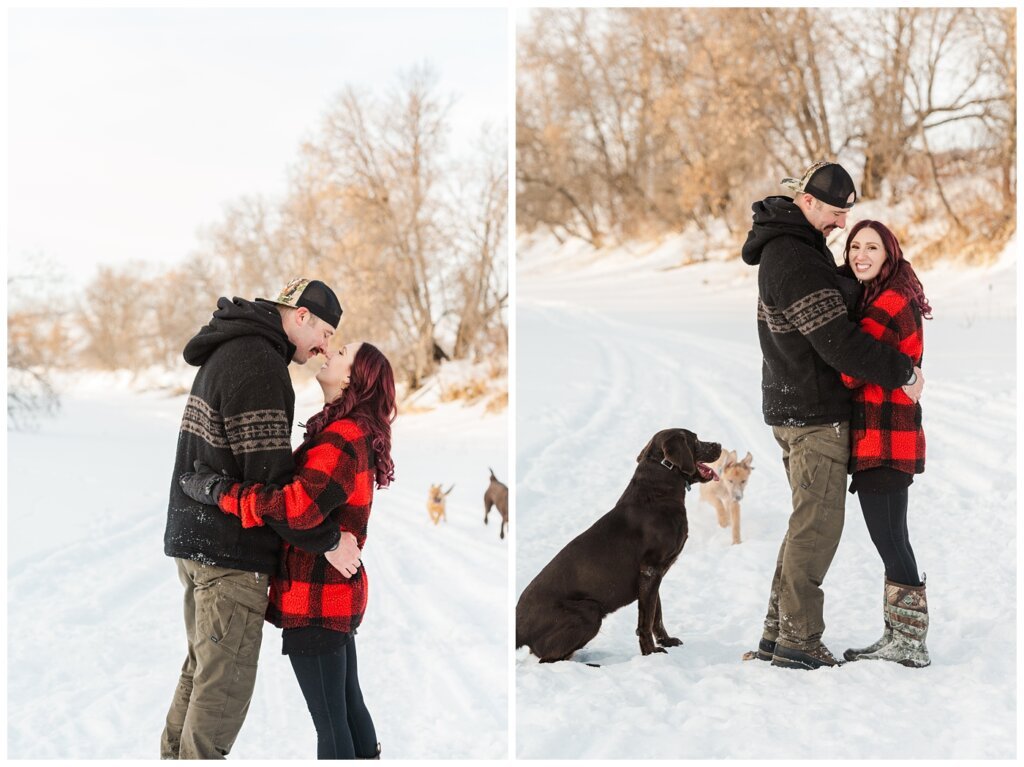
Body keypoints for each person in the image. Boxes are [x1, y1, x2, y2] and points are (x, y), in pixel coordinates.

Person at [161, 278, 363, 759]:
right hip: (229, 552)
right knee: (222, 691)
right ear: (299, 316)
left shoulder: (232, 347)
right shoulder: (261, 364)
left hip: (196, 543)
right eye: (326, 332)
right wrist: (330, 541)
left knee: (201, 673)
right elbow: (275, 491)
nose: (324, 347)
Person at [740, 161, 925, 670]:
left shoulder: (791, 247)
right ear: (810, 202)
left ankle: (779, 634)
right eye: (839, 213)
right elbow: (840, 345)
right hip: (813, 413)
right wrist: (903, 371)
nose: (843, 225)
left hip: (793, 405)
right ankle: (799, 640)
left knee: (805, 524)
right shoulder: (795, 257)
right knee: (817, 527)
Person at [179, 341, 396, 760]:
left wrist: (218, 491)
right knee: (347, 710)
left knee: (332, 721)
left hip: (317, 598)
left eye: (342, 352)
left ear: (353, 378)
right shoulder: (349, 431)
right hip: (332, 594)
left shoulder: (343, 436)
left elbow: (295, 508)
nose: (330, 351)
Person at [838, 220, 932, 668]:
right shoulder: (889, 291)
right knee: (895, 539)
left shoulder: (886, 303)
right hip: (893, 438)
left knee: (891, 541)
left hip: (884, 440)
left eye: (871, 247)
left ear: (888, 252)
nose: (861, 253)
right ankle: (900, 635)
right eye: (855, 246)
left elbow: (852, 370)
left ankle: (910, 642)